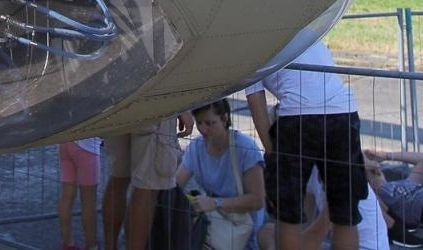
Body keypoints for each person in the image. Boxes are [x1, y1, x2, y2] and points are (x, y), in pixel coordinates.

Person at [246, 40, 367, 250]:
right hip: (343, 112)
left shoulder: (251, 45)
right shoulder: (308, 26)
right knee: (345, 212)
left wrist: (275, 155)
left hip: (296, 115)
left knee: (288, 211)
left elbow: (258, 110)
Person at [175, 99, 266, 250]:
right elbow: (176, 184)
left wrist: (215, 203)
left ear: (224, 119)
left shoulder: (245, 148)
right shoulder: (196, 146)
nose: (203, 129)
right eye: (199, 123)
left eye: (210, 123)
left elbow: (258, 200)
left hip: (242, 230)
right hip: (211, 226)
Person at [102, 118, 182, 250]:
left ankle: (109, 247)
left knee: (118, 178)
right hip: (154, 106)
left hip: (116, 107)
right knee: (147, 187)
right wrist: (183, 107)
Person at [58, 137, 101, 250]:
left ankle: (67, 243)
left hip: (65, 142)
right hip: (87, 146)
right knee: (88, 201)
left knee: (66, 195)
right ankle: (91, 245)